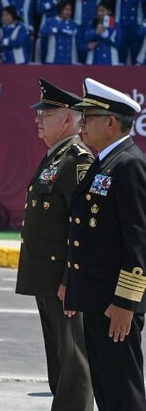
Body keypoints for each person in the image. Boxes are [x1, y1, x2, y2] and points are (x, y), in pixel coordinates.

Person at [65, 78, 146, 411]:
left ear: (111, 122)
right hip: (98, 298)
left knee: (122, 391)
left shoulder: (129, 164)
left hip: (115, 304)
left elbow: (139, 239)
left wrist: (126, 302)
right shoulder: (106, 162)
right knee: (106, 388)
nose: (81, 126)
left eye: (88, 118)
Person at [15, 79, 94, 411]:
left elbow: (82, 228)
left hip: (63, 281)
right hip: (46, 277)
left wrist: (69, 277)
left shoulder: (76, 160)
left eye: (46, 113)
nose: (38, 118)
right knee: (59, 361)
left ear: (67, 120)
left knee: (74, 362)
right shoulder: (56, 157)